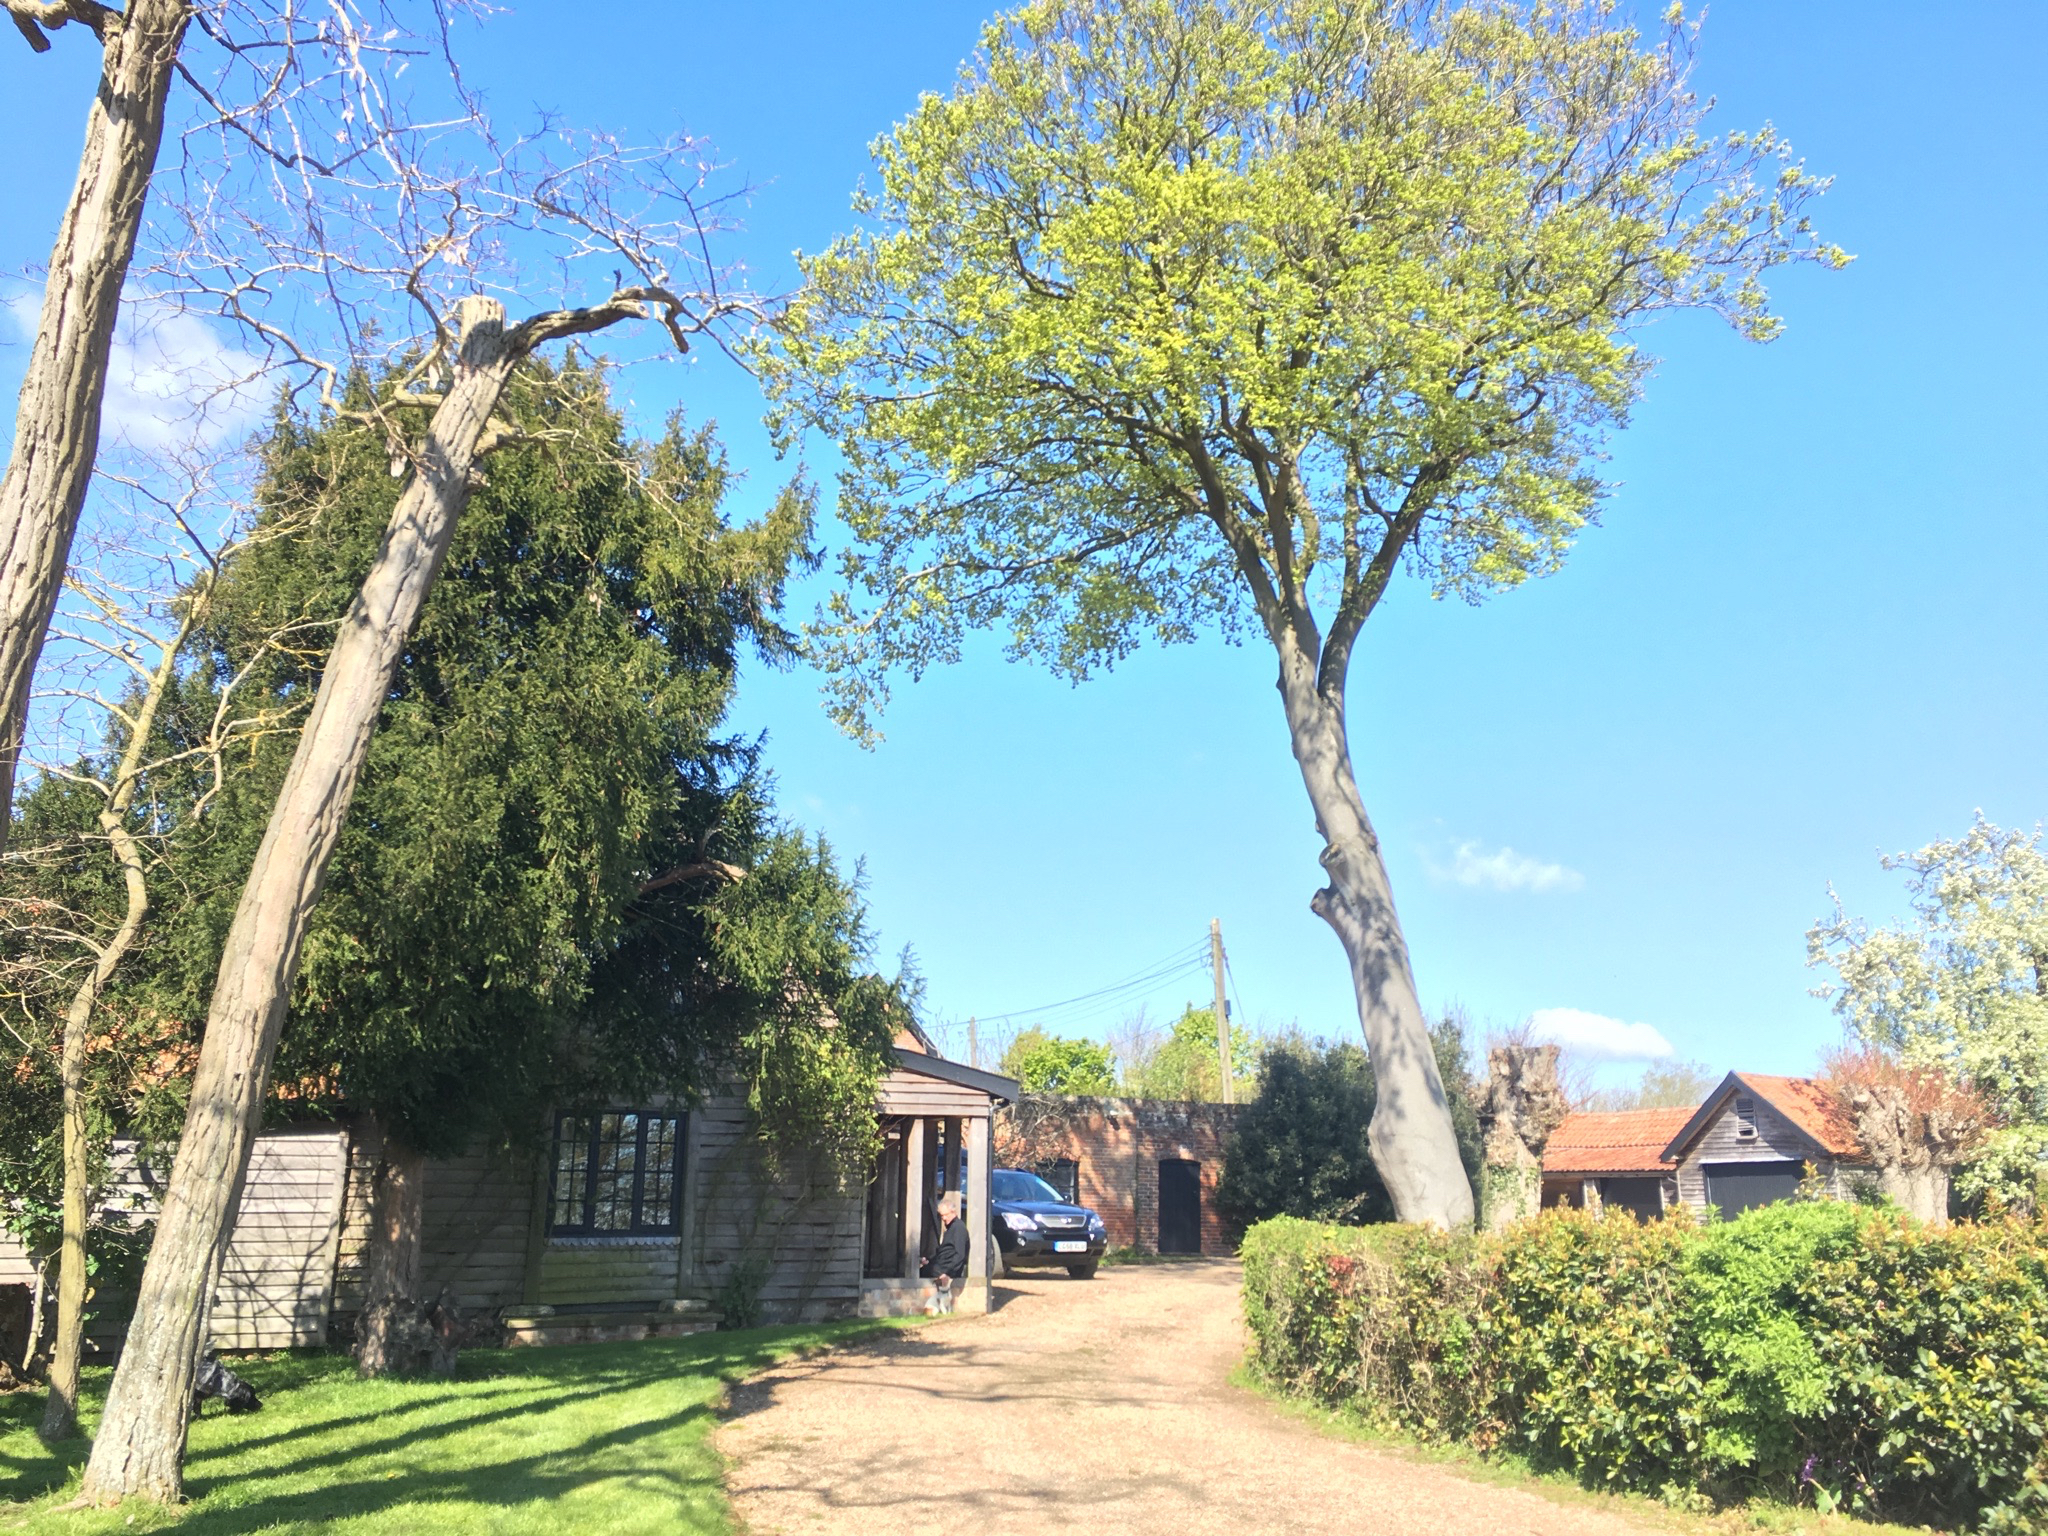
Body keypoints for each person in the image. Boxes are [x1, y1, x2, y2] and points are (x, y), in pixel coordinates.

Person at [923, 1190, 969, 1314]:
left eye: (945, 1215)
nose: (943, 1219)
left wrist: (948, 1273)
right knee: (922, 1268)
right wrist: (929, 1261)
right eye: (941, 1216)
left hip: (946, 1268)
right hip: (940, 1265)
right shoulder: (951, 1229)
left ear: (953, 1212)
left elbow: (960, 1255)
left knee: (921, 1273)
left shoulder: (959, 1229)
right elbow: (944, 1252)